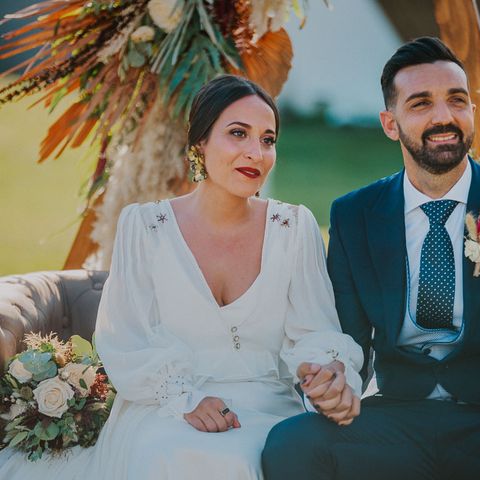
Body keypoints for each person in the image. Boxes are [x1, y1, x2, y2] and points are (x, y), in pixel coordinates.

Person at [262, 37, 480, 480]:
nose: (444, 117)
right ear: (390, 123)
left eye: (456, 100)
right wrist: (334, 382)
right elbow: (347, 341)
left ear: (472, 112)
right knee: (291, 445)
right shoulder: (354, 215)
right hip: (397, 416)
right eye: (421, 104)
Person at [0, 74, 363, 479]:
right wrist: (186, 399)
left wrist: (324, 372)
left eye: (267, 139)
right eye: (238, 134)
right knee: (178, 456)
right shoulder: (145, 226)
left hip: (269, 407)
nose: (255, 153)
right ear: (199, 144)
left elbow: (314, 329)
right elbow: (125, 336)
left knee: (270, 456)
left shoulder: (294, 227)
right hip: (165, 408)